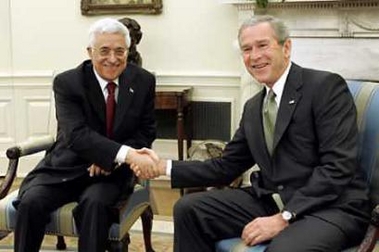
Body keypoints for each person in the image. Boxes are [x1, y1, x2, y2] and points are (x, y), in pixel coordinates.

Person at [133, 15, 371, 251]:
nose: (255, 56)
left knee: (284, 249)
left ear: (286, 47)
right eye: (247, 49)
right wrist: (163, 166)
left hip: (331, 207)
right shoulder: (254, 106)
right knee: (189, 209)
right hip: (274, 199)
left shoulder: (325, 87)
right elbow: (226, 166)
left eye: (263, 45)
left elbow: (337, 168)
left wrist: (285, 217)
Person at [13, 18, 157, 252]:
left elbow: (146, 131)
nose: (113, 58)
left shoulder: (143, 81)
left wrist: (112, 161)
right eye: (104, 51)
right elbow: (76, 134)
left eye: (119, 51)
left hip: (111, 174)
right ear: (90, 52)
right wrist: (113, 154)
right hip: (66, 167)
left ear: (128, 51)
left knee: (95, 205)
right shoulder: (68, 82)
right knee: (31, 203)